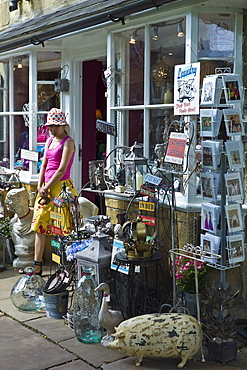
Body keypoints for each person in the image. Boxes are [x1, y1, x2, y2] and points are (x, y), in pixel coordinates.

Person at [19, 108, 77, 275]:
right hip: (44, 188)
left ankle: (66, 265)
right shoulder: (50, 141)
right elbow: (43, 165)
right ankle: (37, 264)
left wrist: (46, 186)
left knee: (63, 226)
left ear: (63, 125)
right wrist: (39, 185)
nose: (53, 129)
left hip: (60, 187)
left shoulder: (68, 142)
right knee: (39, 225)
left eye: (56, 126)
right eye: (51, 126)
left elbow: (61, 169)